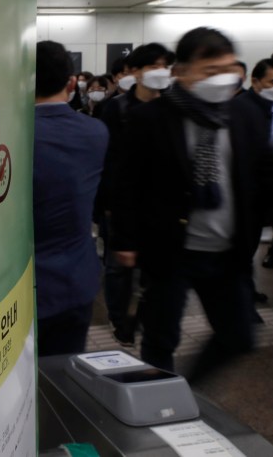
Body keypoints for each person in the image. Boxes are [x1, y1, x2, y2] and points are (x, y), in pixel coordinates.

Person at [111, 27, 273, 383]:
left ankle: (187, 389)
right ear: (182, 72)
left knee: (238, 336)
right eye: (209, 70)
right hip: (171, 249)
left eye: (228, 68)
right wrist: (125, 241)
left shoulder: (244, 115)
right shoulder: (151, 119)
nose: (221, 78)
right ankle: (160, 400)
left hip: (228, 251)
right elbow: (126, 184)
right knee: (161, 337)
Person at [33, 41, 109, 356]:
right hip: (77, 278)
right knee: (66, 372)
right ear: (71, 82)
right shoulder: (95, 132)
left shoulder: (8, 135)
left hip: (22, 289)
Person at [97, 43, 174, 345]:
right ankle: (120, 320)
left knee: (153, 269)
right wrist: (105, 205)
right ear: (134, 72)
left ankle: (143, 317)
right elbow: (107, 159)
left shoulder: (173, 107)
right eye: (153, 66)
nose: (160, 72)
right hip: (121, 202)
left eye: (165, 66)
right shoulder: (115, 108)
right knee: (118, 268)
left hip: (160, 204)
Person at [231, 59, 273, 308]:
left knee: (250, 245)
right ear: (255, 82)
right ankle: (240, 297)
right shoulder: (240, 108)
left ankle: (245, 291)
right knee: (241, 247)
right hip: (241, 192)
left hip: (264, 191)